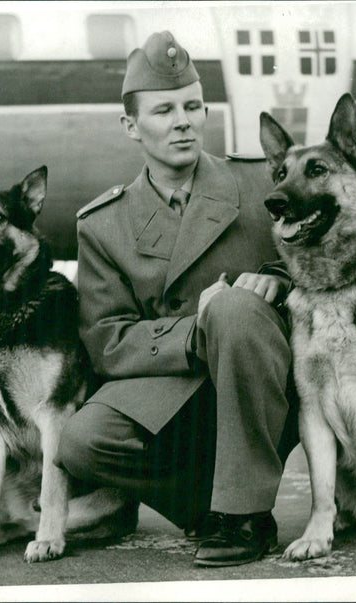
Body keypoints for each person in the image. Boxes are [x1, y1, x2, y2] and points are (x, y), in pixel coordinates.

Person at [56, 32, 298, 567]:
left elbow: (317, 268)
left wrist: (279, 284)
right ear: (131, 126)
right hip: (177, 390)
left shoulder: (262, 184)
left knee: (235, 308)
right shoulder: (103, 224)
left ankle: (245, 516)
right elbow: (107, 340)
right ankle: (205, 505)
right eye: (163, 110)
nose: (182, 121)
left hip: (267, 384)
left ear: (206, 110)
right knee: (80, 440)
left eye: (192, 106)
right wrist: (196, 327)